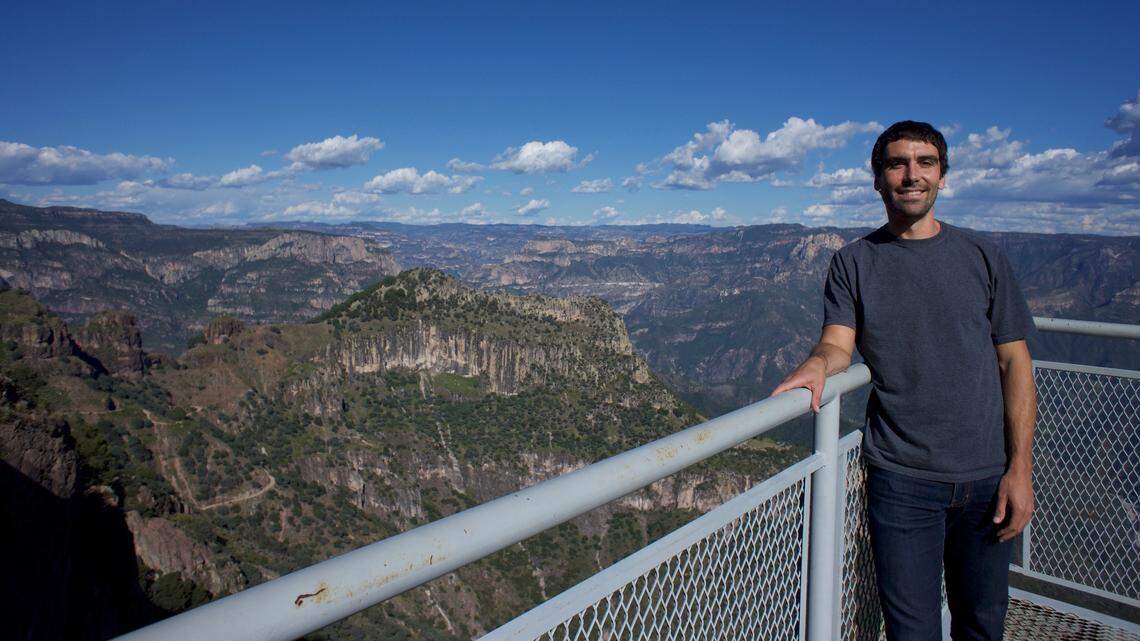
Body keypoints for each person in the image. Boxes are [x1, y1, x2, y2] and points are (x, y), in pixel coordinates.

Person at [771, 121, 1037, 641]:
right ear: (878, 179)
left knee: (983, 624)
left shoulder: (983, 257)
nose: (912, 175)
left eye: (925, 163)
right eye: (897, 164)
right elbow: (837, 344)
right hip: (901, 480)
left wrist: (1020, 469)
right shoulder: (853, 262)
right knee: (911, 630)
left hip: (987, 475)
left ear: (942, 176)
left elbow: (1015, 363)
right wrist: (817, 364)